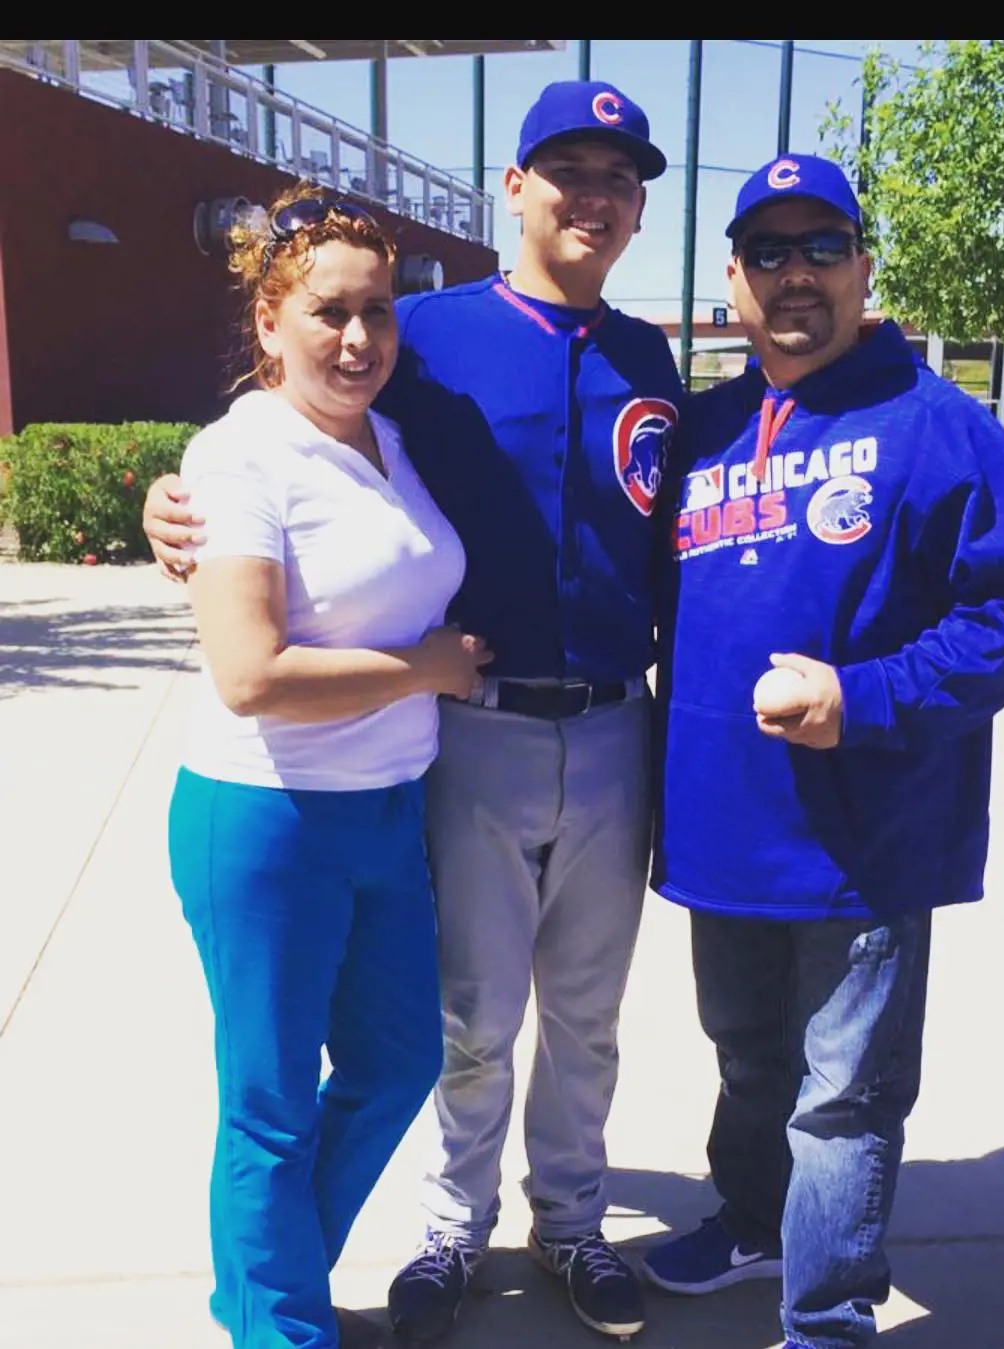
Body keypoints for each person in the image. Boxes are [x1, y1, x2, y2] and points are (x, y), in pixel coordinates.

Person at [144, 82, 684, 1343]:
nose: (593, 195)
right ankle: (449, 1228)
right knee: (468, 1017)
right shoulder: (423, 333)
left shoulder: (649, 354)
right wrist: (179, 509)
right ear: (513, 187)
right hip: (465, 727)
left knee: (583, 1013)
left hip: (611, 724)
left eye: (620, 174)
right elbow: (279, 427)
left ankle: (571, 1220)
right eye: (567, 168)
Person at [642, 154, 1004, 1348]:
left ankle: (826, 1319)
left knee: (845, 1099)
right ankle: (757, 1221)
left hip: (866, 833)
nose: (795, 275)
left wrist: (863, 695)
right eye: (767, 252)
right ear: (732, 276)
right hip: (723, 824)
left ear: (865, 265)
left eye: (821, 247)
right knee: (747, 1052)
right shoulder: (708, 424)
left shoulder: (941, 425)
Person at [167, 185, 491, 1349]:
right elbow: (250, 672)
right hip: (264, 817)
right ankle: (280, 1325)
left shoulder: (393, 439)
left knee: (398, 1059)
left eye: (380, 312)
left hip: (383, 813)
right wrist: (428, 668)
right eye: (329, 311)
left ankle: (268, 1276)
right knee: (267, 1106)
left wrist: (421, 673)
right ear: (268, 321)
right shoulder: (238, 454)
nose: (360, 338)